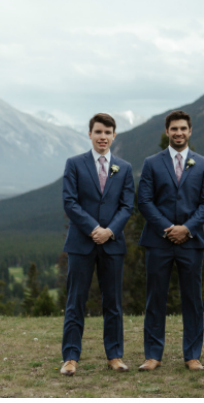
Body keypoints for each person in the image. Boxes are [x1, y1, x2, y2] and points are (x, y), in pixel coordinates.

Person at [136, 110, 204, 371]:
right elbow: (144, 201)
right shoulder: (151, 163)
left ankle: (192, 356)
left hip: (191, 242)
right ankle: (152, 355)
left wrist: (187, 229)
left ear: (190, 131)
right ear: (166, 132)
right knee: (155, 299)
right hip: (159, 241)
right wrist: (169, 228)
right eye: (174, 129)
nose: (178, 133)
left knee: (192, 300)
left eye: (183, 128)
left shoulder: (203, 164)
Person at [59, 113, 135, 376]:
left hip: (112, 245)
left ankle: (114, 356)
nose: (103, 137)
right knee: (75, 301)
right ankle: (70, 357)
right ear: (89, 134)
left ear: (114, 136)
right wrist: (94, 229)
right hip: (82, 243)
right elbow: (70, 202)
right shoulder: (74, 164)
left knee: (113, 302)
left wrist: (110, 231)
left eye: (108, 132)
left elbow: (127, 206)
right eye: (98, 132)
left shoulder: (124, 168)